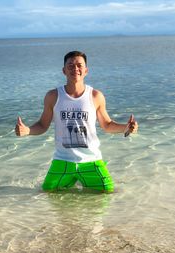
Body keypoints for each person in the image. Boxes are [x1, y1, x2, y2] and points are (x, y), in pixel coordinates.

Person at [15, 51, 138, 193]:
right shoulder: (53, 96)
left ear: (86, 70)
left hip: (91, 161)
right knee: (46, 194)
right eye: (71, 65)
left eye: (79, 65)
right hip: (63, 160)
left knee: (108, 193)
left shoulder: (95, 96)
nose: (75, 69)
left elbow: (107, 125)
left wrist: (126, 128)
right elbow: (43, 125)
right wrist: (27, 131)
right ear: (64, 70)